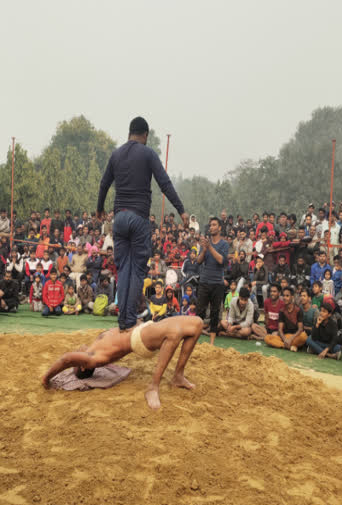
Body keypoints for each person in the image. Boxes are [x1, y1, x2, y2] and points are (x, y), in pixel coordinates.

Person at [97, 116, 187, 331]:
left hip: (119, 219)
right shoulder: (148, 153)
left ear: (129, 132)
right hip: (138, 218)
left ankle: (123, 320)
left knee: (124, 269)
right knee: (137, 270)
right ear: (145, 135)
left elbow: (104, 183)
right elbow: (164, 183)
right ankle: (129, 319)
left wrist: (100, 208)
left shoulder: (116, 154)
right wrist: (181, 210)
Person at [42, 315, 203, 410]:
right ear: (84, 365)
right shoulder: (93, 359)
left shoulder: (89, 347)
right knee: (174, 332)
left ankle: (178, 375)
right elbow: (66, 359)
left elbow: (79, 350)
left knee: (197, 323)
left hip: (144, 327)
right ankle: (153, 386)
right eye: (79, 362)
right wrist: (46, 378)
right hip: (138, 340)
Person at [196, 217, 229, 345]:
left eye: (214, 225)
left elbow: (221, 261)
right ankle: (196, 341)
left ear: (220, 227)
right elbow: (198, 261)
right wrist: (204, 250)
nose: (211, 227)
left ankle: (211, 343)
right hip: (204, 281)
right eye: (210, 225)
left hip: (217, 283)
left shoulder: (224, 244)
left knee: (215, 313)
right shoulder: (205, 243)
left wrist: (209, 247)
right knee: (200, 312)